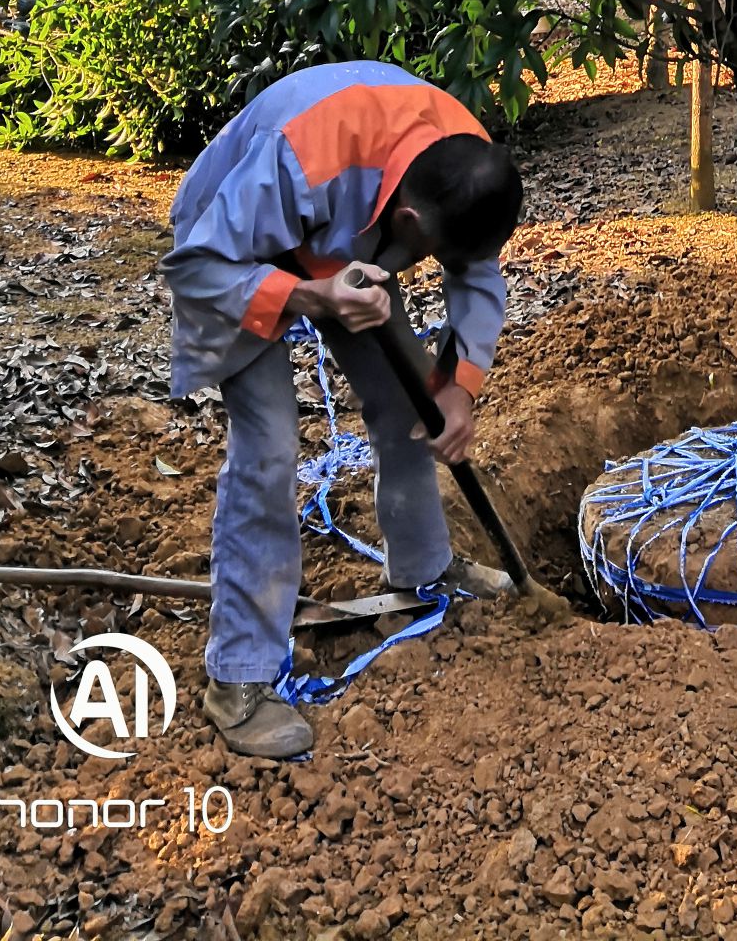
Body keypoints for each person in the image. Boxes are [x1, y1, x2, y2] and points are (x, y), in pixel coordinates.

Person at [162, 60, 522, 759]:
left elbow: (476, 272)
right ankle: (238, 676)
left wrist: (458, 386)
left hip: (347, 245)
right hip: (234, 256)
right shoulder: (302, 154)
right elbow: (197, 266)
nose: (437, 265)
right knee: (268, 449)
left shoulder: (464, 161)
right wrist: (314, 298)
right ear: (411, 222)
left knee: (408, 404)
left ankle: (423, 565)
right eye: (431, 255)